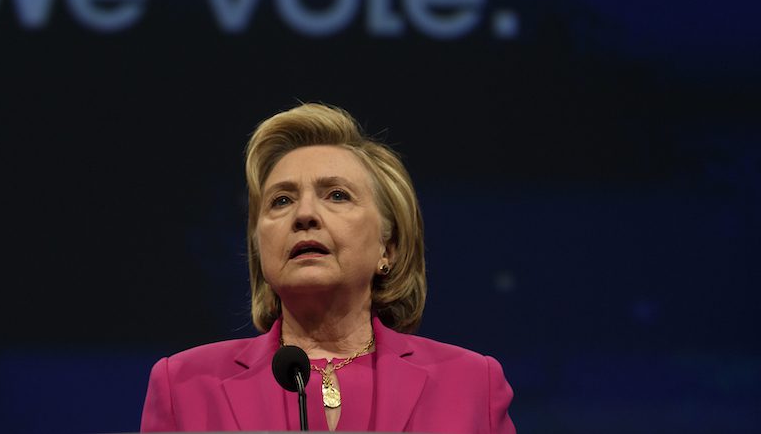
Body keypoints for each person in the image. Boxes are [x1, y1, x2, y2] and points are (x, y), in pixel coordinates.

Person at [141, 103, 516, 432]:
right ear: (258, 248)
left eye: (337, 195)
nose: (304, 215)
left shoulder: (470, 384)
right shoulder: (184, 385)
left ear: (389, 247)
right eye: (281, 200)